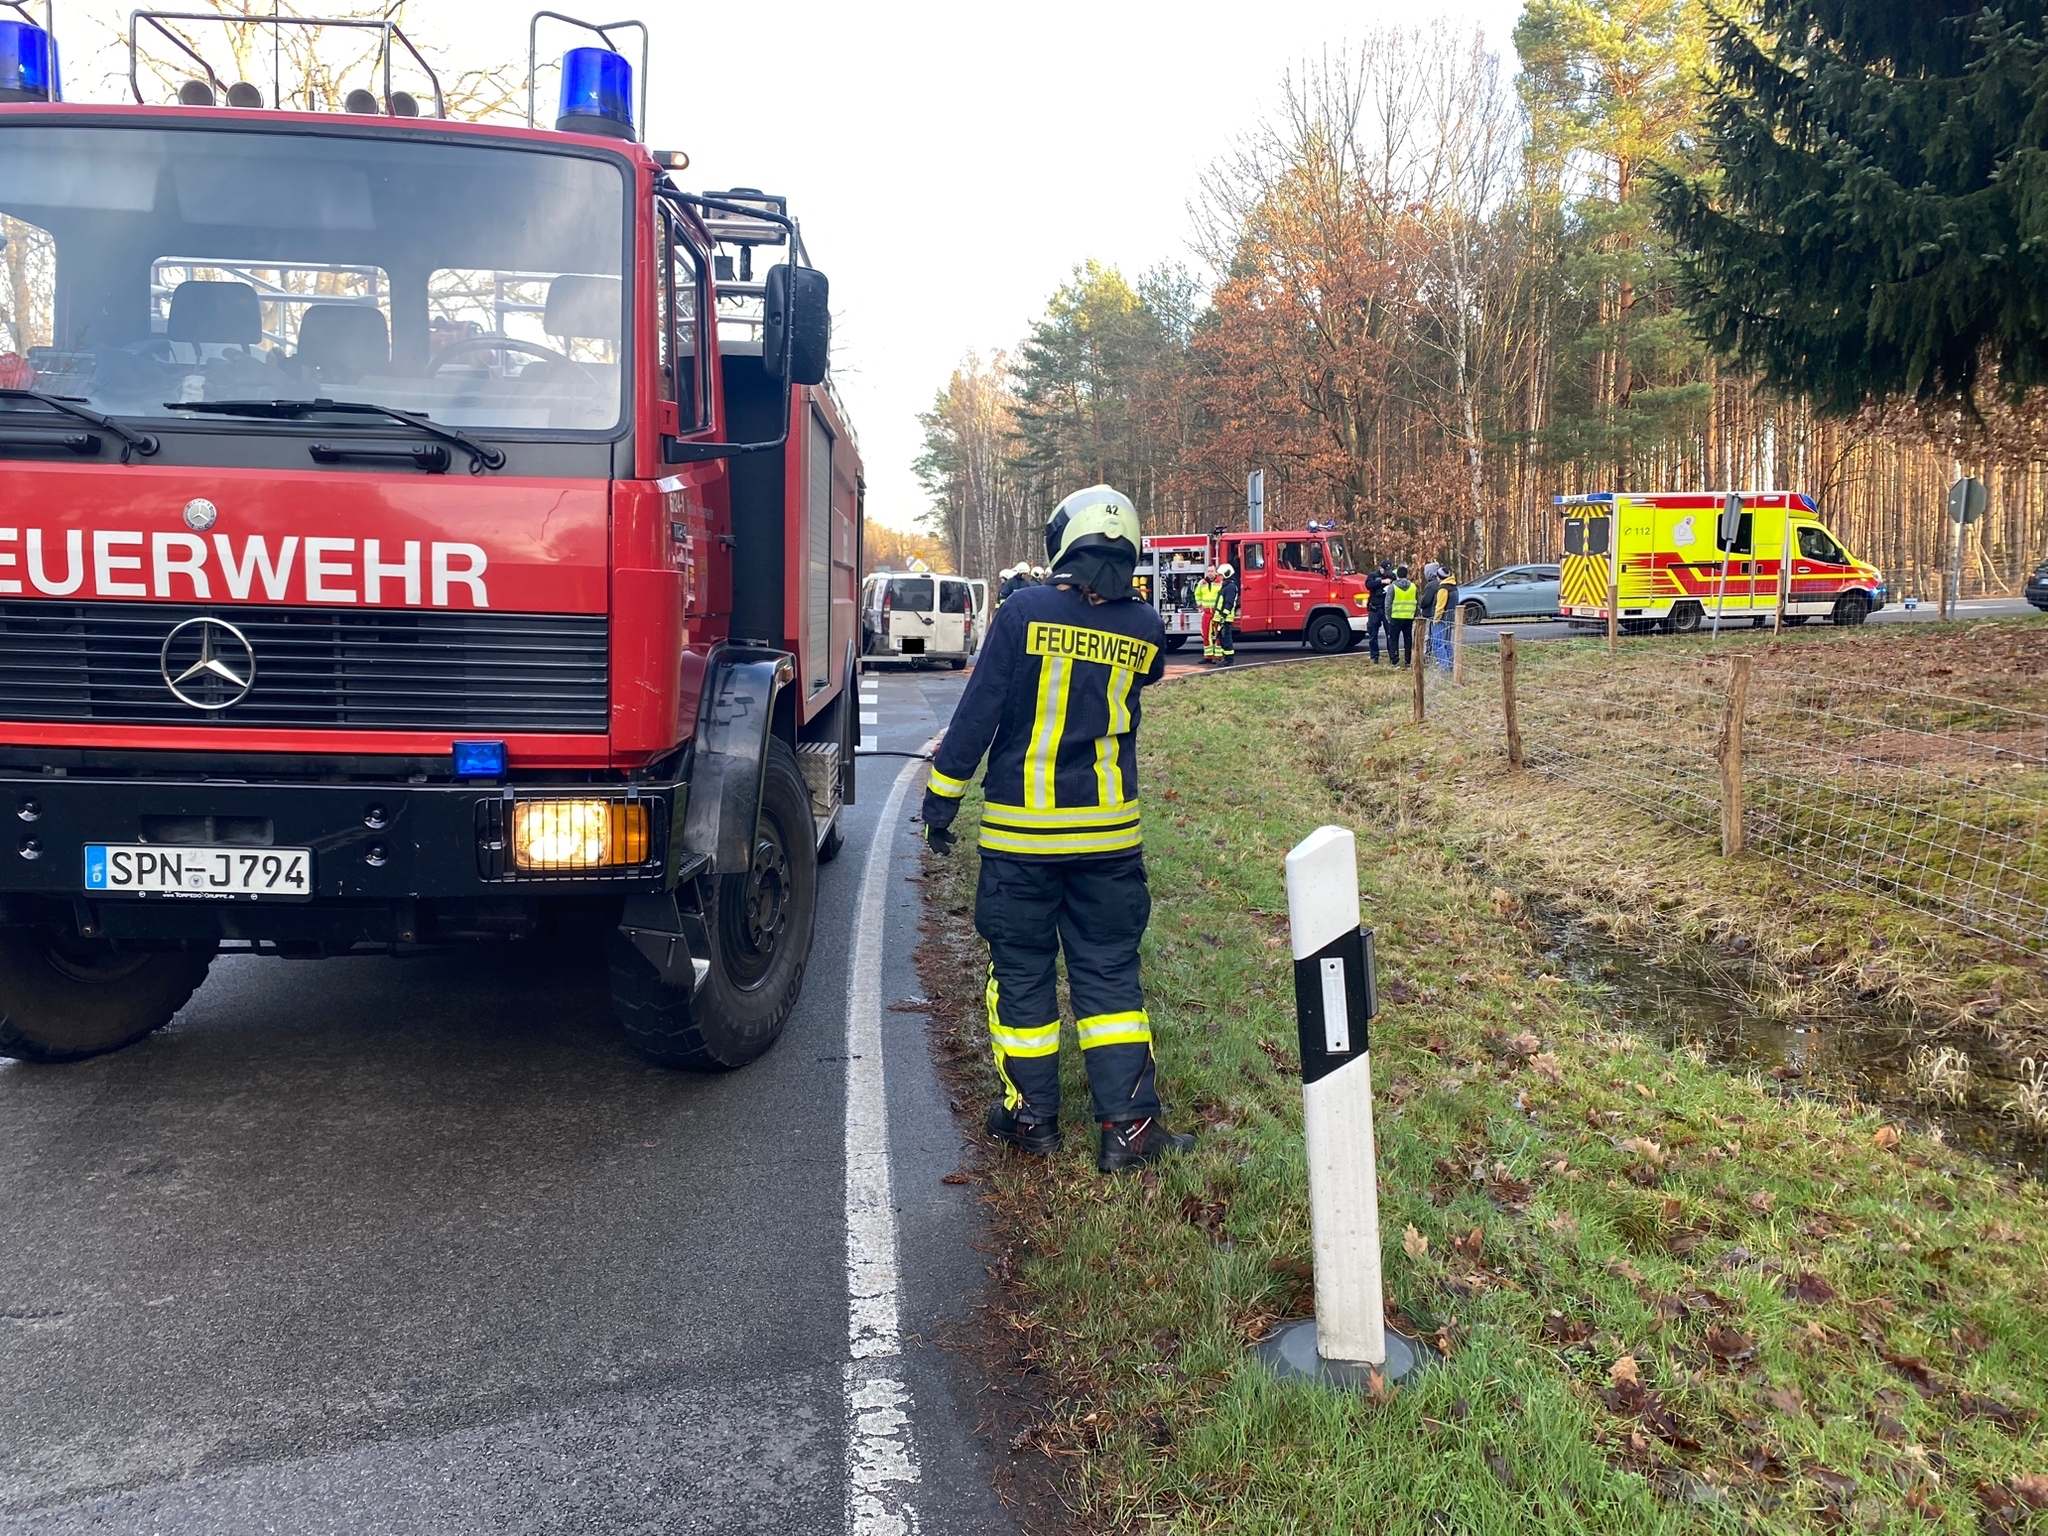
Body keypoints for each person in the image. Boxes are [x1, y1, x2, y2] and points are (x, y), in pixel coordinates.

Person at [921, 484, 1194, 1175]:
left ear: (1063, 542)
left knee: (1022, 977)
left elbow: (979, 712)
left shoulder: (1020, 613)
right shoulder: (1145, 627)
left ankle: (1031, 1118)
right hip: (1108, 841)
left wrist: (942, 799)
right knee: (1109, 980)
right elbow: (1152, 669)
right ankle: (1129, 1131)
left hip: (1022, 842)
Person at [1428, 566, 1460, 671]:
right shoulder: (1454, 587)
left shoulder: (1443, 589)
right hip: (1450, 618)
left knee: (1437, 642)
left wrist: (1435, 620)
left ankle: (1444, 666)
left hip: (1442, 619)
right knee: (1447, 642)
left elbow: (1440, 607)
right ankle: (1451, 665)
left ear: (1439, 577)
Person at [1385, 564, 1417, 665]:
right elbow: (1417, 603)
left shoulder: (1392, 587)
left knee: (1393, 640)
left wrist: (1388, 617)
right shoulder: (1413, 587)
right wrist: (1415, 615)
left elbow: (1388, 604)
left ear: (1397, 575)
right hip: (1409, 617)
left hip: (1396, 617)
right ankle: (1408, 661)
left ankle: (1394, 660)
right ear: (1407, 575)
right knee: (1408, 640)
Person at [1364, 560, 1391, 663]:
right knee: (1373, 633)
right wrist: (1381, 582)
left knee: (1390, 633)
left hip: (1386, 608)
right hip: (1374, 608)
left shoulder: (1391, 576)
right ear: (1381, 568)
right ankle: (1374, 656)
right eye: (1385, 570)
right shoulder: (1373, 575)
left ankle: (1392, 656)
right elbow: (1368, 585)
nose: (1386, 572)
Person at [1193, 564, 1221, 662]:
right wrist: (1200, 608)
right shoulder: (1202, 583)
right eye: (1208, 571)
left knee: (1219, 634)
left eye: (1212, 571)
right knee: (1206, 634)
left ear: (1216, 572)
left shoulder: (1220, 582)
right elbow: (1197, 595)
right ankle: (1208, 656)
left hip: (1217, 612)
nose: (1210, 573)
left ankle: (1219, 656)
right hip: (1206, 612)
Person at [1213, 561, 1240, 665]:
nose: (1219, 577)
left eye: (1220, 575)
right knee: (1222, 639)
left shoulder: (1230, 587)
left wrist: (1223, 616)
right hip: (1221, 618)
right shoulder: (1226, 586)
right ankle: (1226, 658)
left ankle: (1229, 660)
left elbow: (1228, 603)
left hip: (1225, 618)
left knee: (1226, 639)